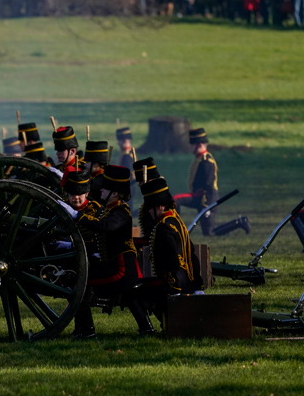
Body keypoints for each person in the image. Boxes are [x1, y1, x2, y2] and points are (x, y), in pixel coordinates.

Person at [74, 165, 152, 337]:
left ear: (114, 193)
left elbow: (105, 227)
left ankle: (86, 330)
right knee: (129, 295)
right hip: (118, 269)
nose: (101, 190)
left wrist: (77, 216)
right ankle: (146, 329)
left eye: (106, 188)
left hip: (121, 271)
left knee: (80, 284)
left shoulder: (120, 211)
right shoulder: (110, 210)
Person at [140, 177, 205, 313]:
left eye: (151, 208)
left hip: (173, 284)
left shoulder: (163, 227)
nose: (149, 212)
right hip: (187, 282)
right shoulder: (177, 222)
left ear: (160, 206)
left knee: (135, 292)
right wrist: (198, 285)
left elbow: (172, 260)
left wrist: (174, 289)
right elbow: (192, 255)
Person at [175, 128, 219, 236]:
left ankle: (176, 229)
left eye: (192, 145)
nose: (190, 148)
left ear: (199, 145)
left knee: (209, 232)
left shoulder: (206, 161)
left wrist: (207, 205)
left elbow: (208, 185)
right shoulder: (200, 159)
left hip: (206, 198)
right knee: (209, 232)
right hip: (200, 196)